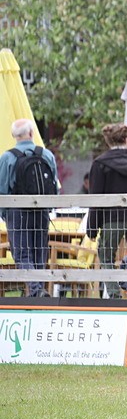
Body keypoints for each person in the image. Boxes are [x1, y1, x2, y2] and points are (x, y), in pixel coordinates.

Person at [85, 123, 127, 293]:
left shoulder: (100, 163)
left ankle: (114, 293)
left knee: (105, 255)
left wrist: (92, 228)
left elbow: (96, 198)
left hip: (111, 218)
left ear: (107, 140)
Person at [0, 119, 57, 297]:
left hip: (17, 212)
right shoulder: (47, 155)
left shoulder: (7, 158)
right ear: (31, 133)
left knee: (21, 253)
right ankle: (38, 291)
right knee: (39, 251)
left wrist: (5, 215)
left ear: (13, 136)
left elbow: (2, 189)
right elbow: (54, 186)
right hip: (41, 211)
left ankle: (35, 290)